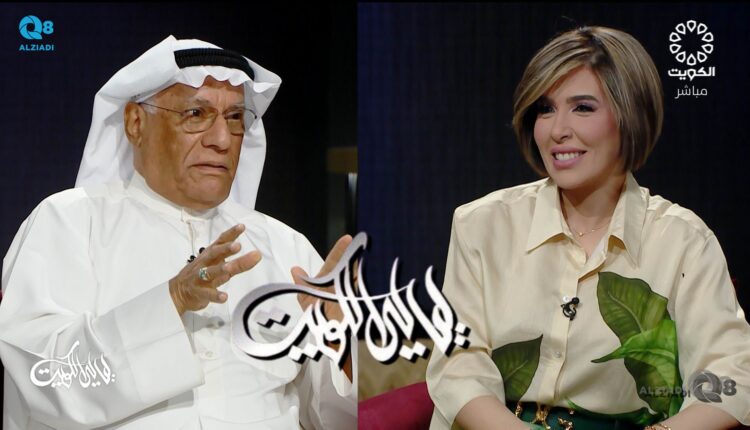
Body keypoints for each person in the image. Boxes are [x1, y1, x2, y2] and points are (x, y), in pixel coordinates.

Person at [0, 36, 356, 429]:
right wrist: (172, 300)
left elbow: (338, 418)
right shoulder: (68, 223)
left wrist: (338, 338)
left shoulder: (286, 247)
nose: (221, 140)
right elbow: (44, 381)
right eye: (196, 114)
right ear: (136, 123)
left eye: (235, 118)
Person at [426, 26, 750, 430]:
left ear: (631, 116)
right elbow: (458, 367)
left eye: (582, 108)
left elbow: (732, 379)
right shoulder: (481, 225)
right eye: (545, 109)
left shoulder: (684, 242)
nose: (556, 130)